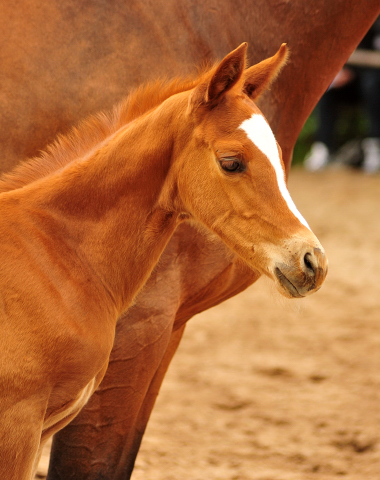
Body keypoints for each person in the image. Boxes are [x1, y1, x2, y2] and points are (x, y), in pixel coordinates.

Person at [305, 18, 380, 173]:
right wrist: (343, 72)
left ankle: (374, 147)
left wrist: (354, 71)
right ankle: (323, 147)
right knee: (329, 88)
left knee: (372, 84)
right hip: (353, 79)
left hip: (373, 81)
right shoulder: (356, 17)